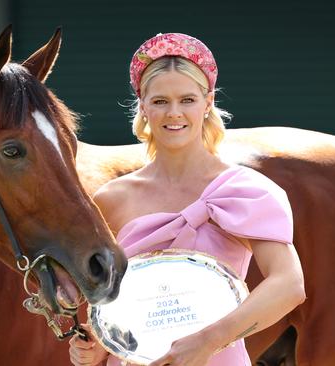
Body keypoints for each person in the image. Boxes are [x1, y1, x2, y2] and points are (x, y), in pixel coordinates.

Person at [69, 33, 305, 366]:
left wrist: (208, 341)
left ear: (207, 102)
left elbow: (289, 284)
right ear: (143, 105)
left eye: (188, 100)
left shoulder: (247, 191)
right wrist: (98, 346)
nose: (174, 113)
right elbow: (113, 305)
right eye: (160, 101)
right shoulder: (111, 199)